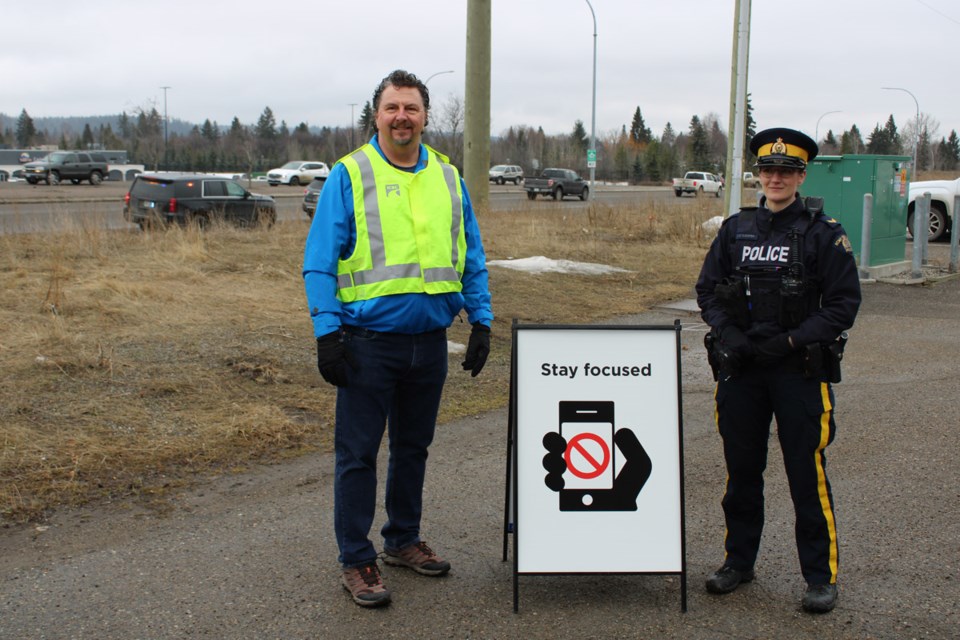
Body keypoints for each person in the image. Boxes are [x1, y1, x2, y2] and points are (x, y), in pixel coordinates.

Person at [302, 69, 493, 608]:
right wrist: (327, 333)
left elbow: (470, 256)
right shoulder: (350, 174)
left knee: (413, 449)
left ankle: (402, 540)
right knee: (358, 455)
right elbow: (319, 263)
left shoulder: (449, 178)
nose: (402, 117)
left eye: (411, 108)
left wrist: (481, 321)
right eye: (392, 108)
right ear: (377, 115)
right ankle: (356, 559)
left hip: (429, 343)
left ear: (426, 116)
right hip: (366, 344)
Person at [695, 127, 861, 614]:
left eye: (785, 171)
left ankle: (819, 577)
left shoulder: (823, 233)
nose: (776, 178)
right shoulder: (735, 230)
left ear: (801, 175)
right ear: (759, 175)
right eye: (768, 170)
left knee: (805, 476)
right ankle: (737, 563)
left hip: (797, 371)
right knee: (742, 474)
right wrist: (732, 337)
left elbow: (843, 304)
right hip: (742, 369)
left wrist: (790, 340)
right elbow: (707, 291)